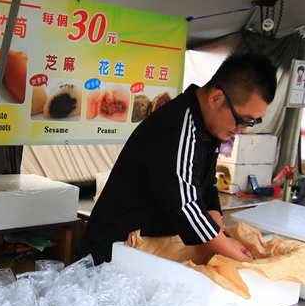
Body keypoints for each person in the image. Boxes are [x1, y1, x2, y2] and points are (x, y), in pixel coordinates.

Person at [79, 52, 278, 265]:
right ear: (216, 98)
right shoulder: (176, 128)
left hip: (146, 251)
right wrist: (233, 254)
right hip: (112, 254)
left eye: (251, 123)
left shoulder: (209, 128)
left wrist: (222, 235)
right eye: (242, 119)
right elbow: (186, 206)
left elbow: (206, 187)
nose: (242, 129)